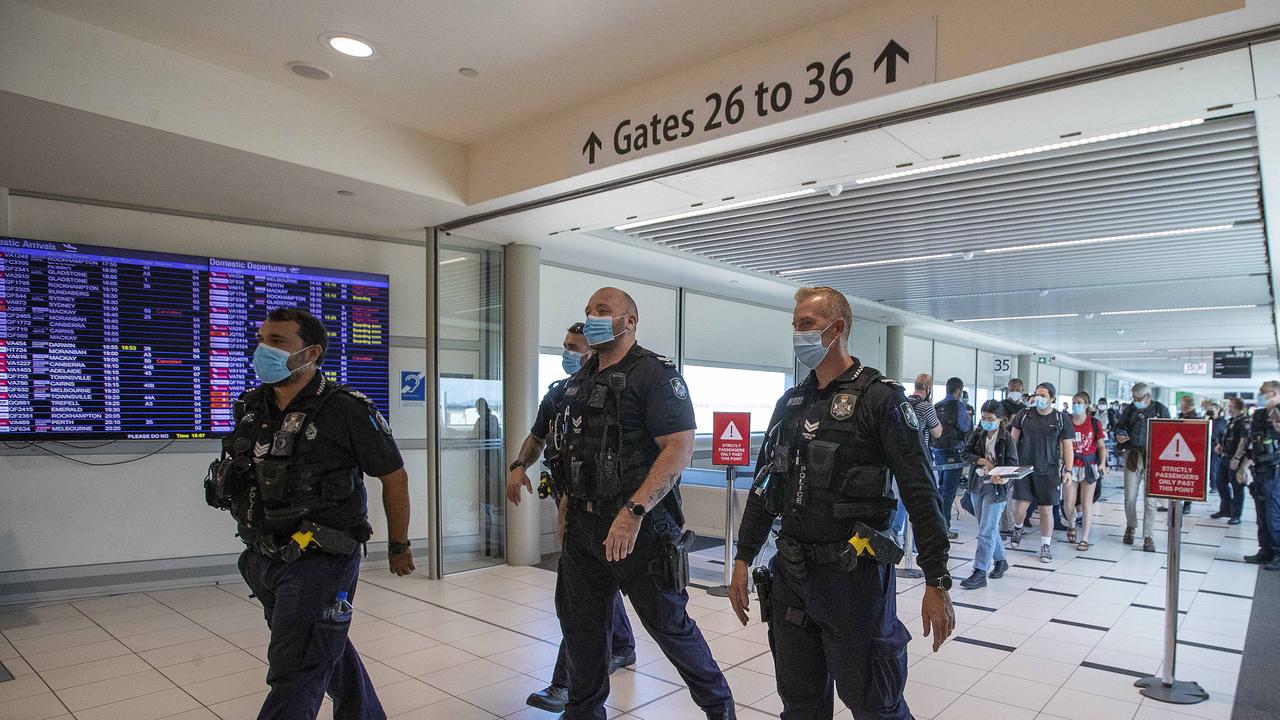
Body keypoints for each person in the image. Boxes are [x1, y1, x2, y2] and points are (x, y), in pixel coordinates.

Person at [728, 286, 954, 720]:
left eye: (806, 325)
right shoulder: (790, 403)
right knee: (800, 703)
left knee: (874, 703)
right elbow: (764, 486)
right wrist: (743, 557)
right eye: (795, 325)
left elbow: (922, 493)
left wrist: (936, 580)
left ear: (838, 329)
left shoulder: (881, 399)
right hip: (792, 575)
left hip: (854, 580)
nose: (798, 333)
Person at [205, 308, 413, 720]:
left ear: (311, 352)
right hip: (261, 558)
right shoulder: (251, 406)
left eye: (278, 341)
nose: (263, 349)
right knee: (321, 645)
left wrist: (398, 544)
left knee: (296, 670)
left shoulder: (346, 410)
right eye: (262, 339)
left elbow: (394, 477)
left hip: (318, 557)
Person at [554, 287, 733, 720]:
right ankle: (584, 712)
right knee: (582, 632)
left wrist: (633, 511)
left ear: (630, 321)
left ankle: (719, 709)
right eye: (588, 310)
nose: (593, 317)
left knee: (671, 629)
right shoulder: (581, 380)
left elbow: (678, 448)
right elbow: (572, 451)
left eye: (603, 311)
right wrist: (566, 513)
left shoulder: (656, 376)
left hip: (643, 529)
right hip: (584, 529)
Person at [505, 323, 636, 713]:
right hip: (571, 498)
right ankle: (624, 647)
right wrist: (518, 466)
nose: (566, 353)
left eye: (573, 348)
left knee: (580, 605)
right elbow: (538, 435)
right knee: (592, 594)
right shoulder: (560, 393)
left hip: (607, 510)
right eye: (563, 346)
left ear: (592, 352)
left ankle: (565, 684)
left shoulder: (613, 391)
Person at [1010, 382, 1074, 562]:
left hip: (1049, 470)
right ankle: (1018, 527)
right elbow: (1012, 441)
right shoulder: (1024, 415)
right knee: (1019, 508)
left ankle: (1045, 546)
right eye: (1037, 394)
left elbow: (1068, 447)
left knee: (1046, 510)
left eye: (1043, 395)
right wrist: (1009, 465)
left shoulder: (1061, 419)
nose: (1039, 398)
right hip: (1024, 469)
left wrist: (1068, 470)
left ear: (1052, 398)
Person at [959, 401, 1017, 588]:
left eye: (990, 419)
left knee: (986, 531)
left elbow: (1012, 465)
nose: (986, 422)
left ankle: (979, 572)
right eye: (983, 418)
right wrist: (981, 460)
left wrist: (1003, 477)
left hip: (997, 489)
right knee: (986, 528)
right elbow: (965, 453)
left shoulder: (1007, 439)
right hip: (978, 485)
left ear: (1001, 420)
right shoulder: (978, 434)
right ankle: (1001, 561)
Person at [1114, 383, 1170, 552]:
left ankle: (1148, 535)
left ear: (1148, 397)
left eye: (1139, 399)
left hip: (1153, 458)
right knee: (1129, 496)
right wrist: (1120, 435)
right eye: (1134, 398)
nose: (1136, 401)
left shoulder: (1160, 410)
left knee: (1150, 500)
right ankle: (1130, 526)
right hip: (1132, 455)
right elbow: (1119, 426)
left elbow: (1169, 431)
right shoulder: (1130, 409)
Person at [933, 377, 972, 540]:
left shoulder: (937, 405)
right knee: (949, 491)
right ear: (958, 391)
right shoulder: (959, 406)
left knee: (941, 489)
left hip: (937, 450)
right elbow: (964, 426)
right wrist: (969, 418)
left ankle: (937, 524)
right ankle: (944, 528)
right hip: (953, 452)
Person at [1066, 392, 1105, 551]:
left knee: (1087, 503)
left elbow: (1101, 446)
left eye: (1079, 402)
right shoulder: (1067, 421)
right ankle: (1071, 524)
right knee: (1069, 503)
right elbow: (1062, 443)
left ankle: (1085, 538)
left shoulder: (1095, 423)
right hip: (1071, 464)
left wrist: (1102, 464)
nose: (1076, 405)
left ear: (1087, 405)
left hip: (1089, 464)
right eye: (1074, 402)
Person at [1246, 381, 1280, 565]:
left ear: (1274, 393)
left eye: (1263, 392)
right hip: (1259, 469)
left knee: (1274, 514)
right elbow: (1251, 442)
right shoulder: (1259, 415)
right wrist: (1243, 464)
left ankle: (1277, 553)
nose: (1259, 394)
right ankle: (1265, 550)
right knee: (1262, 514)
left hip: (1275, 471)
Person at [1212, 398, 1248, 525]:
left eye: (1231, 406)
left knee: (1237, 487)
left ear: (1238, 407)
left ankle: (1236, 514)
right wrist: (1221, 445)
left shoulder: (1244, 421)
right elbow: (1227, 436)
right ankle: (1225, 509)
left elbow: (1243, 441)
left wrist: (1237, 458)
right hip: (1225, 456)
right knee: (1220, 483)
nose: (1229, 408)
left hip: (1235, 459)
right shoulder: (1232, 421)